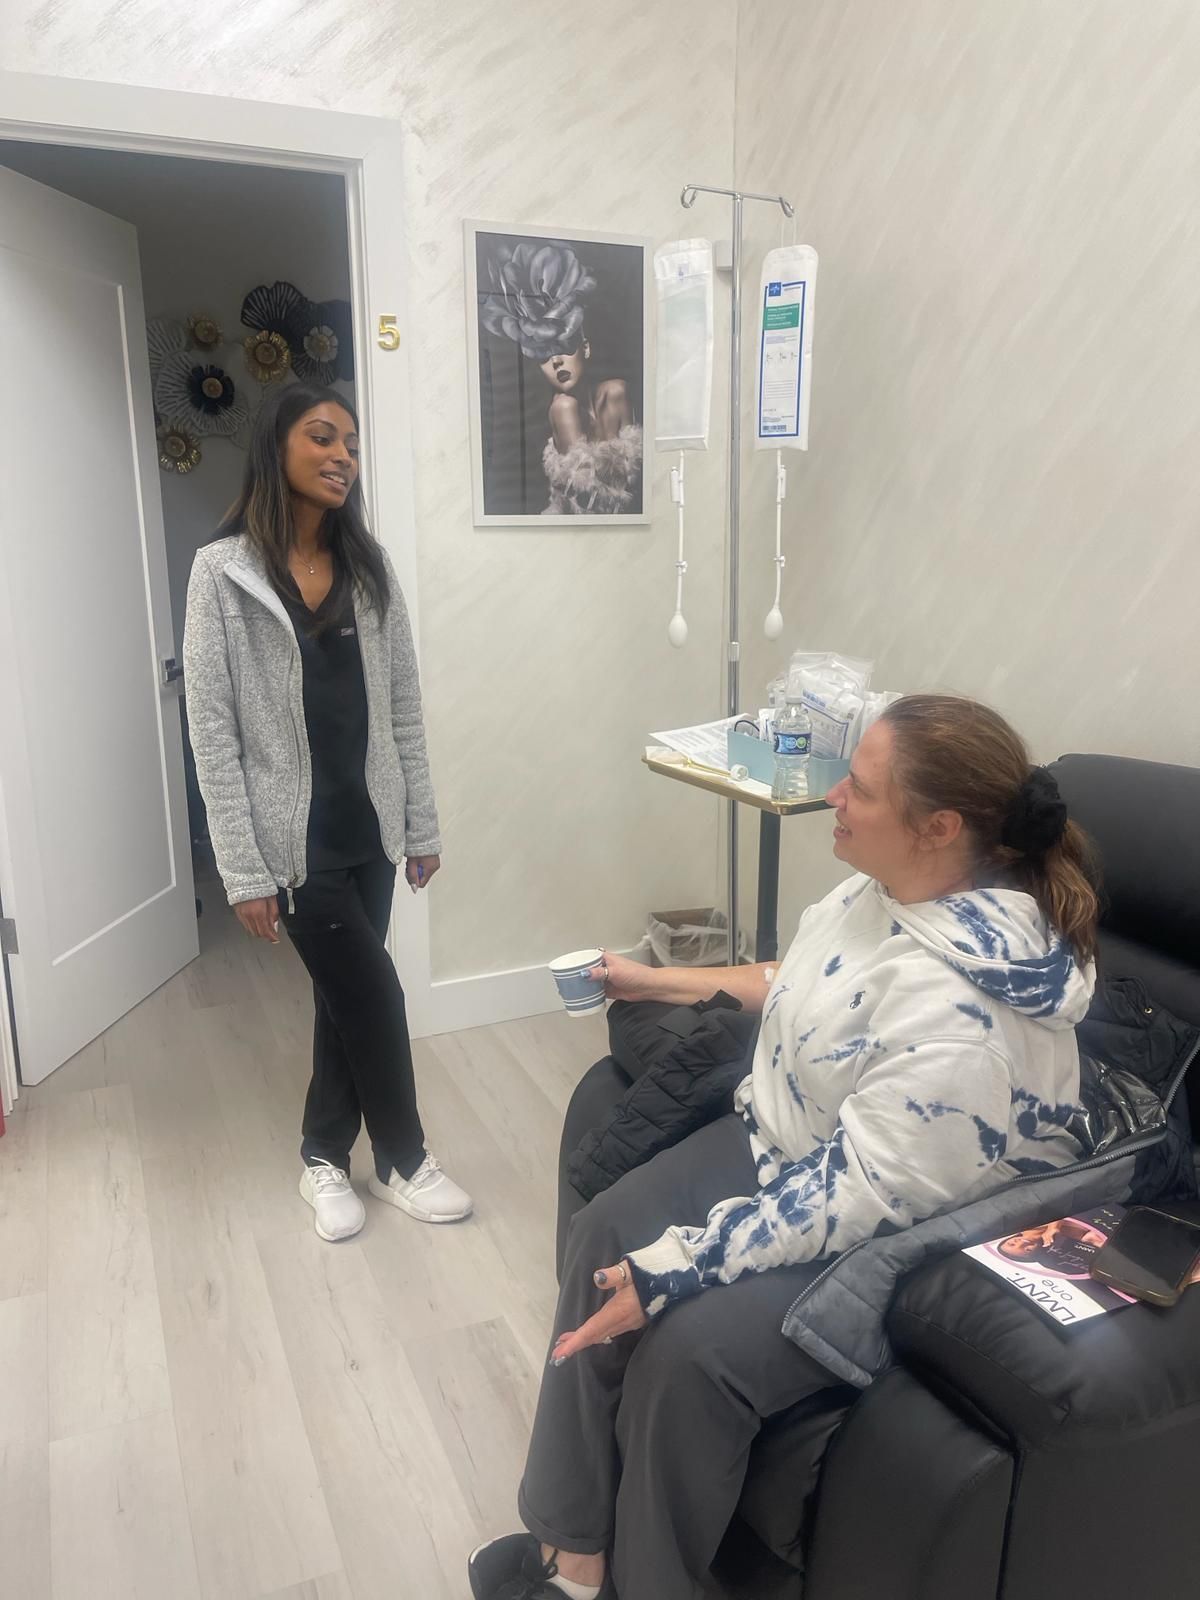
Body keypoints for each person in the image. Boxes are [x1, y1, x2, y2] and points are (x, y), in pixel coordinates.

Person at [469, 694, 1100, 1600]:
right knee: (606, 1227)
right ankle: (574, 1553)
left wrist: (677, 1268)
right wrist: (657, 979)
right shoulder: (884, 891)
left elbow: (855, 1194)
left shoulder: (964, 1022)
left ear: (938, 828)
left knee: (687, 1360)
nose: (833, 795)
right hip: (793, 1145)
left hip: (896, 1232)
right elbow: (801, 978)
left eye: (861, 789)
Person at [183, 382, 471, 1242]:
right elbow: (212, 732)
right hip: (291, 845)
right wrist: (242, 870)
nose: (343, 455)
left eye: (350, 442)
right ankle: (404, 1160)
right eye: (322, 437)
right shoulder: (222, 573)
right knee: (373, 993)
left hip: (371, 830)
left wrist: (420, 826)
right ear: (278, 447)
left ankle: (322, 1156)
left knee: (343, 1000)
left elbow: (404, 711)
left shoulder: (368, 570)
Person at [480, 239, 643, 516]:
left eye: (563, 346)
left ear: (585, 347)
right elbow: (586, 506)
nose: (556, 361)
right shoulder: (563, 408)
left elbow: (637, 485)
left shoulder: (615, 392)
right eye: (543, 354)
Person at [996, 1217, 1107, 1273]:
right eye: (1027, 1250)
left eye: (1011, 1243)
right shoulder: (1065, 1240)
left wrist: (1053, 1227)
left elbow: (1059, 1206)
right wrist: (1094, 1240)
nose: (1020, 1243)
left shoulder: (1025, 1224)